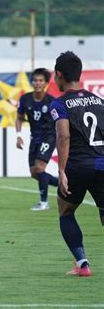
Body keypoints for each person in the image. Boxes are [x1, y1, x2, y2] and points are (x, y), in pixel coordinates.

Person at [50, 51, 104, 277]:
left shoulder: (60, 103)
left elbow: (63, 136)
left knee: (65, 211)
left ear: (59, 75)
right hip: (102, 164)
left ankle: (82, 264)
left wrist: (61, 170)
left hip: (78, 166)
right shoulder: (100, 101)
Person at [15, 68, 58, 211]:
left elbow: (60, 121)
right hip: (34, 138)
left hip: (49, 137)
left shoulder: (51, 101)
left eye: (41, 80)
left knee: (40, 167)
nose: (37, 83)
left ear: (46, 83)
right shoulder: (25, 99)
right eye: (35, 80)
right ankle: (66, 185)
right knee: (35, 173)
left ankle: (43, 203)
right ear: (32, 82)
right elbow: (19, 118)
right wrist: (18, 136)